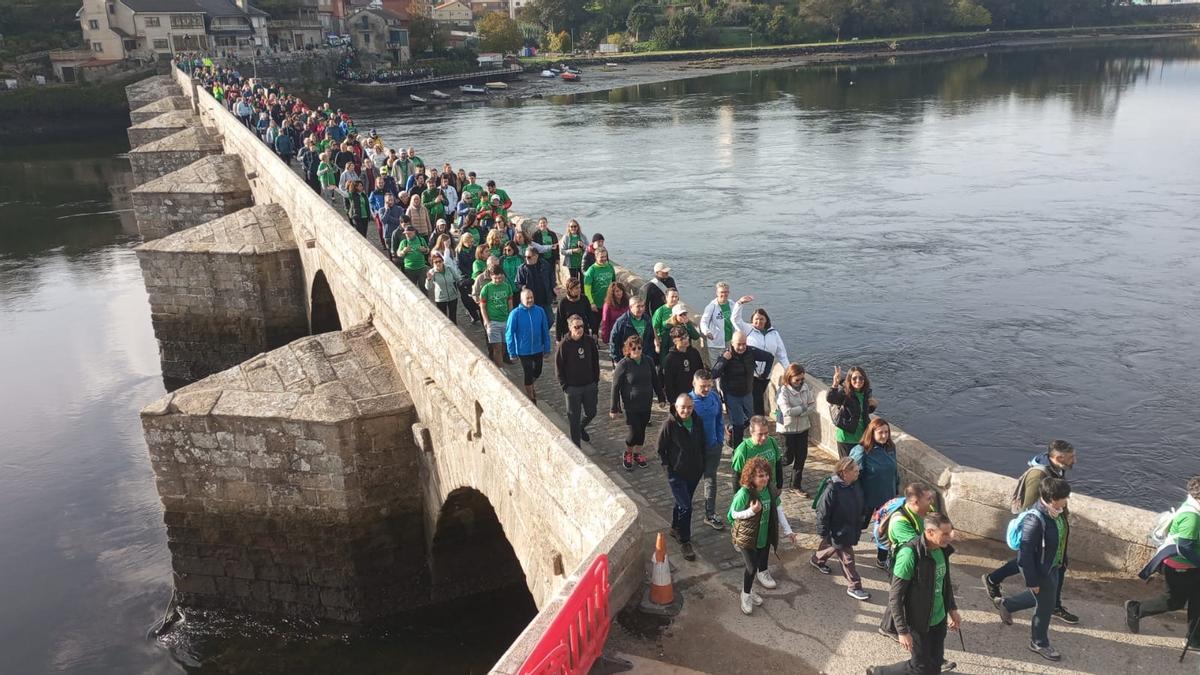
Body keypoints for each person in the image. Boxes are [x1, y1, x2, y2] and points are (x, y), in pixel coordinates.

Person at [983, 440, 1079, 625]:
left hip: (1053, 525)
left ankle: (993, 579)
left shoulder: (1056, 469)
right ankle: (1051, 607)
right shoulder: (1038, 475)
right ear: (1059, 458)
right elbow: (1028, 509)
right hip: (1043, 530)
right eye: (1071, 457)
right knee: (1040, 564)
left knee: (1049, 564)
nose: (1075, 460)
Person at [867, 513, 962, 675]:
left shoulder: (942, 550)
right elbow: (895, 597)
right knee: (920, 667)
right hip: (918, 623)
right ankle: (879, 672)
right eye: (945, 533)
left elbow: (944, 582)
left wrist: (952, 609)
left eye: (950, 532)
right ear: (930, 532)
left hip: (939, 619)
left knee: (936, 662)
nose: (949, 537)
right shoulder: (909, 554)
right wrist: (902, 631)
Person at [992, 477, 1071, 662]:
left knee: (1045, 597)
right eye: (1064, 497)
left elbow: (1061, 538)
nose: (1067, 500)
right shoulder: (1035, 520)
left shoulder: (1058, 511)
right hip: (1041, 569)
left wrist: (1062, 559)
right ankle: (1039, 642)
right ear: (1052, 498)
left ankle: (1006, 605)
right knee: (1046, 605)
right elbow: (1025, 554)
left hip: (1053, 566)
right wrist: (1032, 581)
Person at [1126, 475, 1200, 649]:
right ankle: (1136, 609)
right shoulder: (1192, 518)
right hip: (1181, 567)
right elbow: (1185, 548)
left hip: (1191, 566)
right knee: (1174, 601)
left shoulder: (1192, 507)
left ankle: (1194, 638)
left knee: (1198, 599)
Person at [728, 456, 797, 615]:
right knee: (751, 568)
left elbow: (779, 511)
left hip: (764, 537)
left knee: (760, 563)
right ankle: (745, 595)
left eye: (766, 475)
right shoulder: (744, 493)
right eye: (760, 475)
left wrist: (788, 531)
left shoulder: (770, 490)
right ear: (751, 477)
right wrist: (751, 511)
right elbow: (732, 515)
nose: (765, 478)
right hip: (747, 538)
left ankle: (750, 589)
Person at [657, 393, 707, 562]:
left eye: (689, 407)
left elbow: (702, 443)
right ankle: (685, 541)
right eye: (683, 407)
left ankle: (675, 527)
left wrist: (702, 463)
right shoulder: (669, 425)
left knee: (682, 503)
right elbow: (660, 449)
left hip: (694, 472)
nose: (686, 410)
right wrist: (668, 471)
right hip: (676, 473)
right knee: (687, 507)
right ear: (676, 407)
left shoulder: (697, 421)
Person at [811, 457, 870, 600]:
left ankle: (817, 559)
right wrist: (823, 531)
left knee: (833, 546)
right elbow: (823, 511)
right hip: (839, 530)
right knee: (847, 559)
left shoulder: (854, 484)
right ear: (844, 472)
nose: (858, 473)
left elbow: (859, 501)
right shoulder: (832, 489)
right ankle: (854, 586)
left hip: (849, 527)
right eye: (855, 471)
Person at [851, 418, 902, 565]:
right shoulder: (861, 451)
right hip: (866, 499)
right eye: (881, 433)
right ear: (871, 433)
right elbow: (852, 475)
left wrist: (896, 490)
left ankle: (882, 559)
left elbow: (894, 472)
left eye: (887, 432)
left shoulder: (890, 448)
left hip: (886, 498)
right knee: (855, 527)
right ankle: (830, 551)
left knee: (884, 529)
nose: (885, 436)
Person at [609, 335, 664, 472]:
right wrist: (614, 408)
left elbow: (655, 381)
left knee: (643, 429)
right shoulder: (623, 364)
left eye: (639, 348)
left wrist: (661, 398)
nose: (637, 350)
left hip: (646, 402)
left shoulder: (648, 361)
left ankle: (637, 453)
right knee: (634, 431)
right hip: (630, 404)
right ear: (628, 349)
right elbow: (615, 386)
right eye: (633, 348)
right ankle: (628, 452)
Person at [712, 332, 773, 451]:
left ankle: (733, 433)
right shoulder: (726, 355)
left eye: (744, 344)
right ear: (732, 343)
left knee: (752, 420)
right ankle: (738, 452)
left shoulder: (751, 352)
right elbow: (714, 373)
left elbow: (769, 357)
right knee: (738, 425)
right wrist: (724, 359)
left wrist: (764, 375)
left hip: (747, 393)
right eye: (739, 344)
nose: (741, 347)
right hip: (732, 395)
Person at [734, 307, 789, 416]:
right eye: (756, 319)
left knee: (757, 397)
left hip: (766, 374)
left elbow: (781, 353)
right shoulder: (748, 330)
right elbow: (735, 319)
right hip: (750, 372)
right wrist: (740, 304)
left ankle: (751, 419)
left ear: (766, 320)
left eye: (761, 319)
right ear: (752, 320)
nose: (759, 322)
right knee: (756, 398)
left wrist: (788, 370)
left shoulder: (773, 333)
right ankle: (758, 421)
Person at [556, 314, 600, 447]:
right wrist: (565, 387)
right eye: (576, 327)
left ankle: (582, 427)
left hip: (589, 386)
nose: (579, 329)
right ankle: (577, 447)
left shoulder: (589, 341)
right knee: (573, 420)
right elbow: (559, 368)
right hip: (572, 389)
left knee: (591, 412)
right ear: (570, 327)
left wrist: (595, 381)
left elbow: (595, 362)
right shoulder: (564, 345)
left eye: (581, 326)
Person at [690, 370, 725, 531]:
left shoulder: (714, 397)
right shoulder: (688, 402)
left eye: (708, 386)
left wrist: (719, 440)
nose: (706, 390)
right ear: (694, 384)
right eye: (702, 386)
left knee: (710, 481)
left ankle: (709, 514)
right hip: (694, 452)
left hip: (712, 447)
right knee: (690, 482)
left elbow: (719, 419)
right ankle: (684, 513)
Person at [775, 363, 816, 493]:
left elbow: (812, 406)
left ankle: (795, 485)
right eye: (797, 380)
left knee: (801, 457)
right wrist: (804, 409)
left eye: (802, 379)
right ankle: (772, 469)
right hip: (787, 429)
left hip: (803, 427)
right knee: (787, 458)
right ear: (789, 378)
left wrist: (800, 411)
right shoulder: (783, 391)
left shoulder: (805, 388)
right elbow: (787, 411)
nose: (800, 382)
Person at [506, 289, 551, 402]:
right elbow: (509, 334)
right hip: (523, 350)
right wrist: (512, 352)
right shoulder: (515, 314)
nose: (530, 300)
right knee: (528, 371)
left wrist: (547, 347)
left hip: (537, 348)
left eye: (531, 297)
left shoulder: (540, 311)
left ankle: (529, 384)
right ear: (522, 300)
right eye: (527, 298)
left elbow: (545, 330)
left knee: (538, 371)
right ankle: (531, 397)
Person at [828, 366, 878, 458]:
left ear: (864, 379)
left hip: (862, 437)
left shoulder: (865, 393)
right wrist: (835, 384)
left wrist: (872, 406)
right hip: (846, 437)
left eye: (861, 378)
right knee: (847, 468)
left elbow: (860, 411)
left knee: (860, 468)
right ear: (849, 379)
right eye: (854, 378)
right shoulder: (844, 393)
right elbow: (831, 398)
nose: (858, 381)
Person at [700, 283, 751, 369]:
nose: (724, 294)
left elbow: (737, 318)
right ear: (717, 293)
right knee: (716, 367)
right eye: (722, 292)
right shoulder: (712, 306)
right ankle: (716, 382)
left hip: (730, 341)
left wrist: (741, 303)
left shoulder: (731, 304)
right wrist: (707, 332)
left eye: (726, 292)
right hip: (716, 343)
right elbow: (703, 321)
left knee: (730, 366)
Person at [730, 415, 783, 491]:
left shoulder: (772, 442)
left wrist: (779, 486)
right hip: (752, 491)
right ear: (751, 433)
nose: (764, 437)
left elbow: (778, 464)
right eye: (760, 434)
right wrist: (740, 497)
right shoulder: (742, 450)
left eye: (766, 433)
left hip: (770, 488)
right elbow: (736, 476)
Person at [478, 267, 514, 366]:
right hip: (493, 321)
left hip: (505, 320)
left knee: (504, 346)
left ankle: (499, 362)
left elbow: (510, 303)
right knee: (496, 347)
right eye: (495, 278)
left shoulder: (507, 286)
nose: (498, 280)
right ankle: (500, 367)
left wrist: (511, 319)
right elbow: (482, 306)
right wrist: (486, 321)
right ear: (491, 277)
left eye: (499, 278)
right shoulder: (486, 288)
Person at [609, 296, 658, 365]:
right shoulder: (622, 322)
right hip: (628, 358)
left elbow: (651, 338)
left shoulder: (647, 319)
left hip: (645, 357)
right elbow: (613, 341)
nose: (641, 309)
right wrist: (617, 360)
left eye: (642, 306)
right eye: (638, 306)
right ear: (631, 307)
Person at [662, 326, 704, 404]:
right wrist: (673, 402)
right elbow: (668, 383)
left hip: (696, 395)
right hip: (680, 398)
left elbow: (700, 372)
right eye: (681, 339)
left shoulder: (694, 353)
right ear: (674, 341)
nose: (686, 340)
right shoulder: (670, 359)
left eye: (686, 337)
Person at [515, 246, 555, 326]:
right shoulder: (522, 268)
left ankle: (542, 333)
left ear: (536, 256)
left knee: (550, 320)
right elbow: (517, 283)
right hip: (531, 300)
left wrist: (553, 290)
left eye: (529, 257)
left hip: (545, 299)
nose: (526, 259)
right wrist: (523, 288)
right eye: (525, 257)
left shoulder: (545, 265)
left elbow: (552, 278)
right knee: (534, 322)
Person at [424, 252, 462, 324]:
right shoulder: (432, 272)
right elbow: (428, 287)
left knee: (453, 317)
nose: (438, 263)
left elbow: (457, 278)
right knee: (443, 319)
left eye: (440, 261)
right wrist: (428, 279)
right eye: (435, 262)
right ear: (433, 263)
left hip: (453, 296)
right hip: (441, 299)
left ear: (442, 261)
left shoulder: (449, 268)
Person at [583, 247, 615, 328]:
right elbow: (587, 288)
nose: (604, 259)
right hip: (596, 304)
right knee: (595, 325)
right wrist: (591, 303)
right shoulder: (591, 270)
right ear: (596, 257)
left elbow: (614, 284)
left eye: (605, 256)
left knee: (609, 325)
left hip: (608, 302)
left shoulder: (610, 267)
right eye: (601, 257)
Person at [555, 277, 594, 341]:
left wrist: (594, 332)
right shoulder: (563, 302)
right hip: (569, 336)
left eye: (579, 287)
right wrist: (558, 339)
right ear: (570, 290)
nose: (579, 290)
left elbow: (590, 316)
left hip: (583, 334)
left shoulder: (584, 299)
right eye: (576, 288)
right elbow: (559, 322)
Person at [599, 282, 630, 347]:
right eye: (617, 291)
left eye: (621, 290)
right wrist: (605, 338)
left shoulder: (627, 303)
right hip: (613, 333)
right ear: (612, 293)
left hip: (626, 333)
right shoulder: (608, 305)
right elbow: (605, 322)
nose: (620, 293)